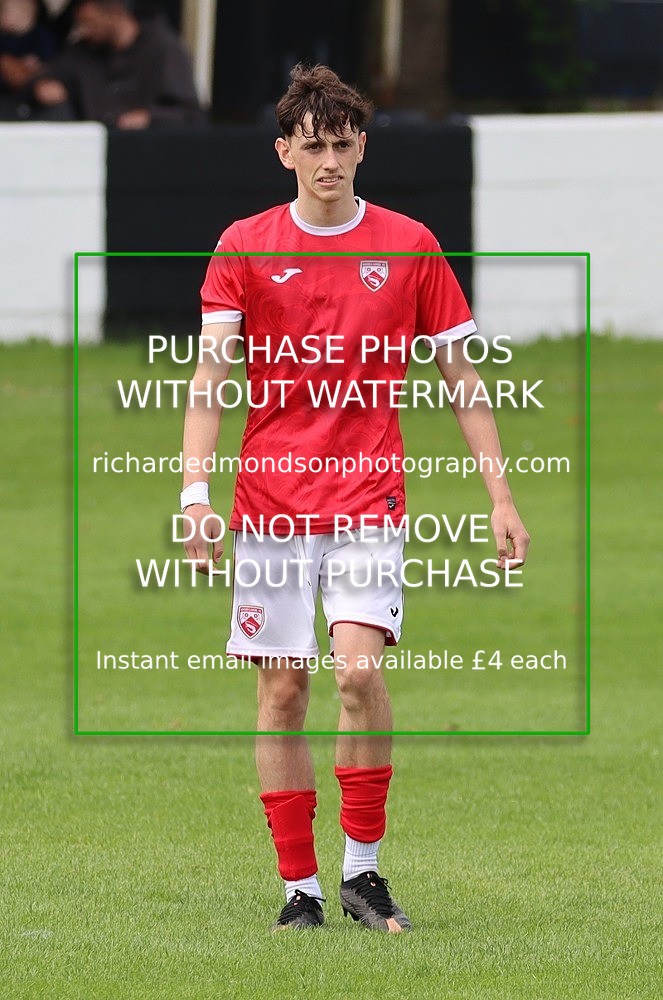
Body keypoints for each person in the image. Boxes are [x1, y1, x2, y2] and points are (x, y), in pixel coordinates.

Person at [181, 64, 530, 933]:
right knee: (280, 694)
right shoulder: (244, 244)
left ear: (361, 147)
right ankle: (299, 889)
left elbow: (462, 380)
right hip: (269, 502)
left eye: (341, 145)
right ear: (284, 152)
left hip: (367, 496)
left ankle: (362, 873)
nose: (327, 161)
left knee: (359, 669)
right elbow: (210, 378)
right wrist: (193, 493)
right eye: (312, 146)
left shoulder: (410, 246)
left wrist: (499, 497)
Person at [31, 0, 203, 128]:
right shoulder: (82, 52)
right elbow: (49, 75)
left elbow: (191, 115)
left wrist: (149, 117)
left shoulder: (163, 48)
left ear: (116, 15)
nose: (85, 31)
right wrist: (44, 85)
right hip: (93, 150)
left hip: (150, 151)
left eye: (90, 23)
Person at [0, 0, 57, 119]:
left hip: (34, 96)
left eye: (5, 11)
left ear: (28, 13)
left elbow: (49, 62)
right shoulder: (3, 39)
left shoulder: (41, 36)